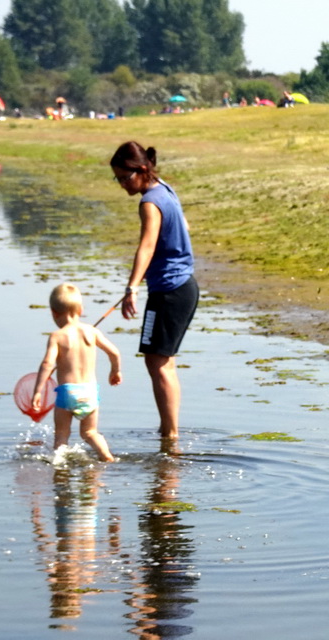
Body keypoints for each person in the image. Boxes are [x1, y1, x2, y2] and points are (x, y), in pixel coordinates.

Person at [110, 141, 198, 440]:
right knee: (161, 360)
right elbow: (183, 223)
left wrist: (131, 288)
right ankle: (167, 429)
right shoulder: (164, 189)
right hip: (184, 285)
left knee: (157, 362)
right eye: (118, 179)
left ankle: (170, 436)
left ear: (142, 170)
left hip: (170, 290)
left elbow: (146, 247)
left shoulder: (150, 202)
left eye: (126, 178)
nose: (123, 185)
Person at [32, 283, 122, 460]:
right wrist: (115, 371)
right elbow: (114, 352)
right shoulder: (92, 331)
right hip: (89, 392)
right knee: (90, 433)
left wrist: (38, 390)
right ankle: (107, 457)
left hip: (67, 393)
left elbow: (47, 364)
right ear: (80, 309)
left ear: (54, 313)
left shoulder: (57, 336)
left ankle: (59, 468)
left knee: (62, 436)